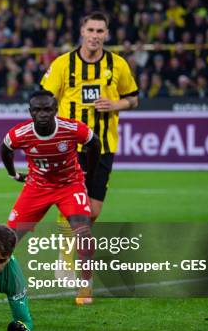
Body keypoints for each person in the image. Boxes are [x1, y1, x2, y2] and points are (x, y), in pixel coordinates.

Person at [1, 90, 101, 305]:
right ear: (30, 112)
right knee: (7, 238)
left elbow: (95, 143)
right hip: (36, 187)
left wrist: (89, 175)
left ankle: (86, 285)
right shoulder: (20, 133)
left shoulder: (72, 128)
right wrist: (14, 174)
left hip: (69, 186)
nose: (43, 114)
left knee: (83, 232)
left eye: (47, 109)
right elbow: (6, 148)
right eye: (37, 110)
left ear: (55, 110)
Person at [41, 11, 138, 223]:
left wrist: (115, 104)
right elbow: (44, 99)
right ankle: (66, 257)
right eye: (91, 30)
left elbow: (132, 99)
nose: (95, 35)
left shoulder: (118, 64)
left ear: (107, 34)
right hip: (70, 146)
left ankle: (76, 245)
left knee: (92, 211)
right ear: (83, 32)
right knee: (73, 204)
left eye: (100, 31)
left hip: (103, 145)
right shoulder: (63, 64)